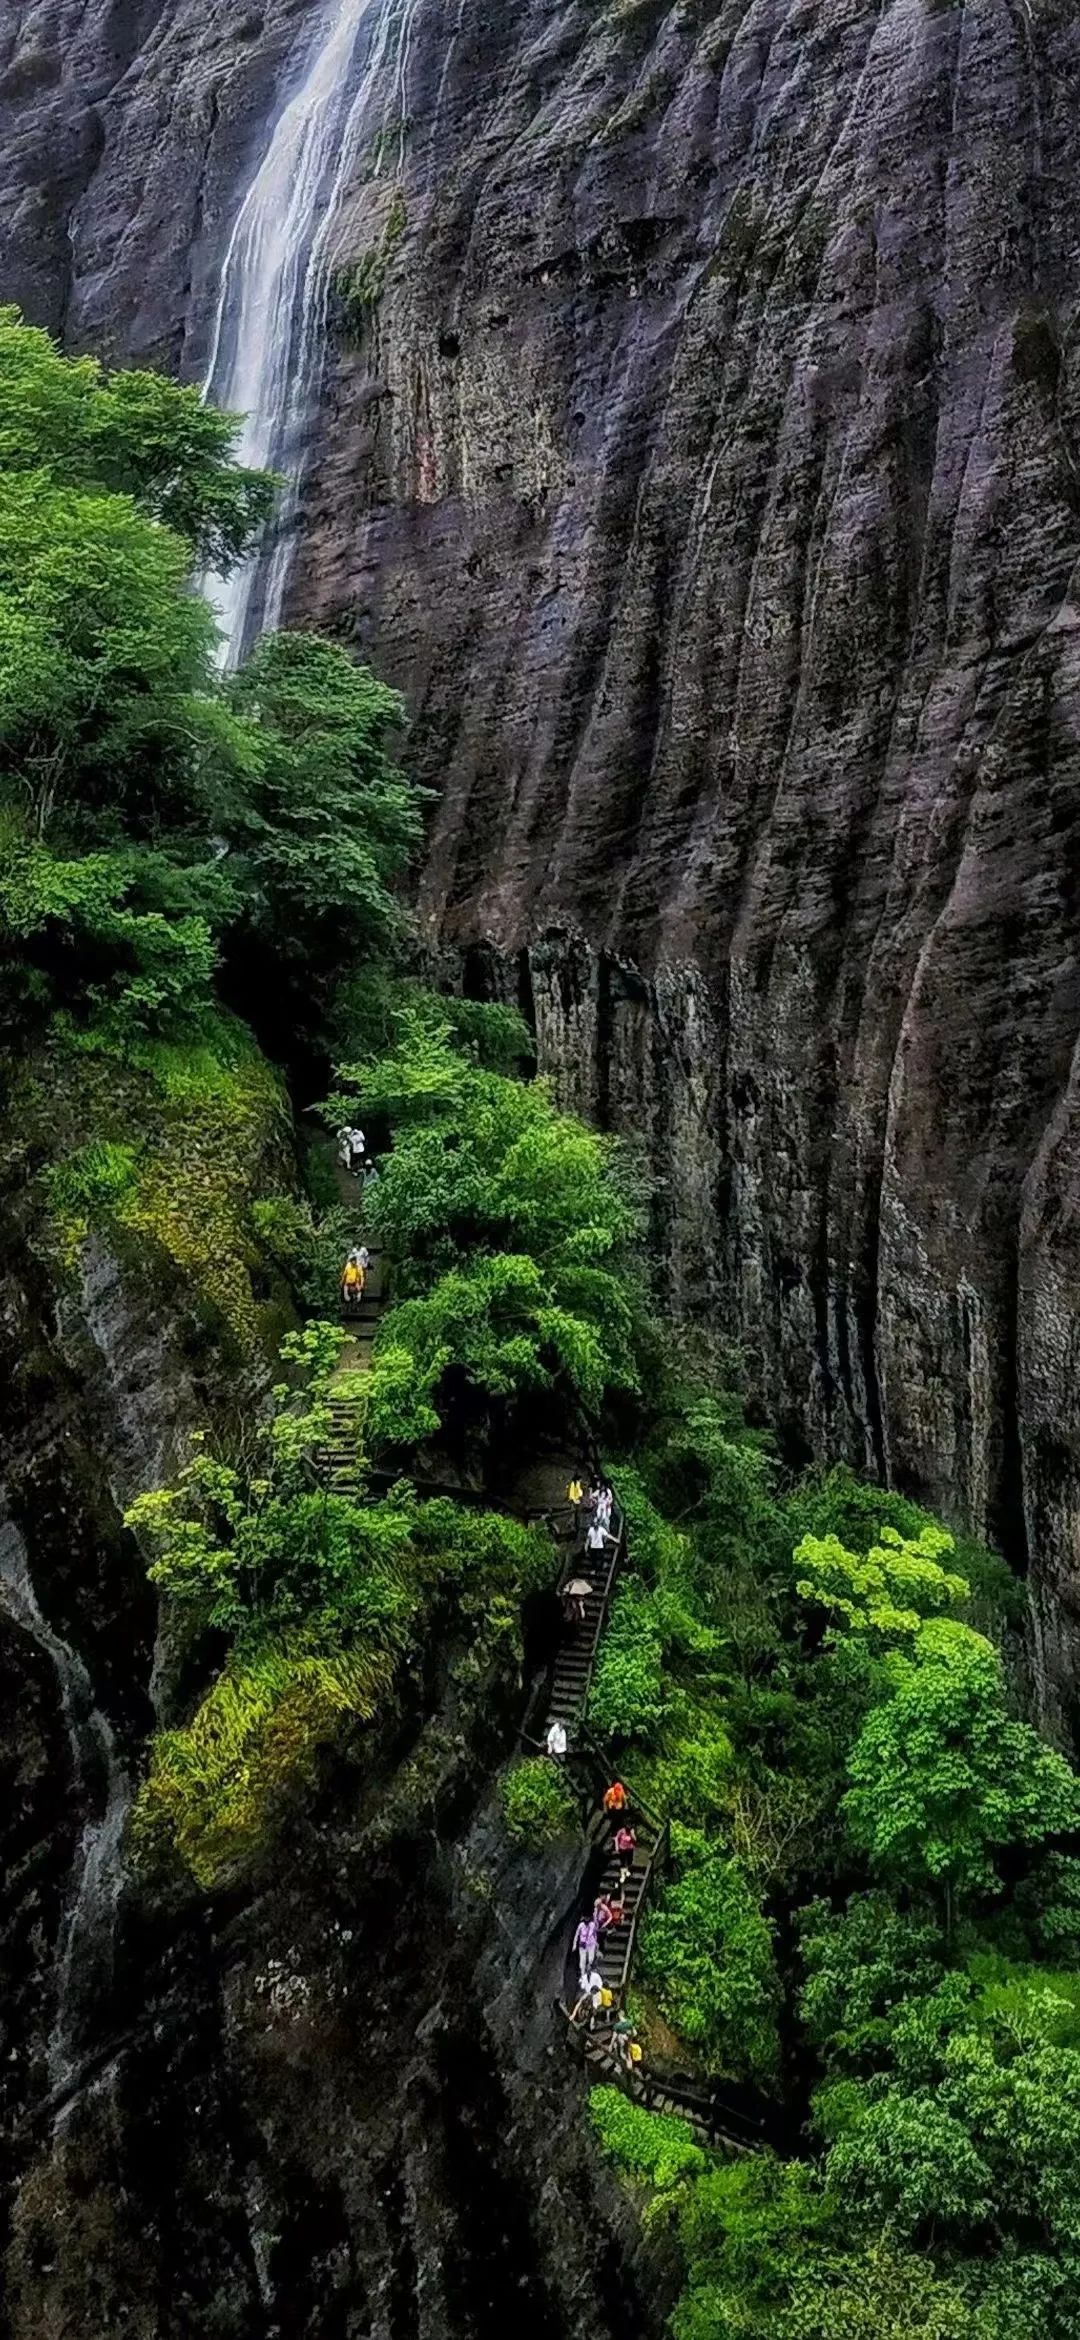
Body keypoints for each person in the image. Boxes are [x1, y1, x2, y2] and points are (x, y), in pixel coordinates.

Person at [573, 1914, 599, 1988]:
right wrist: (574, 1944)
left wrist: (596, 1942)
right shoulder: (581, 1925)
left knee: (590, 1959)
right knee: (582, 1961)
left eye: (588, 1918)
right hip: (583, 1945)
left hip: (591, 1944)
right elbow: (576, 1934)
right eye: (585, 1918)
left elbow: (595, 1934)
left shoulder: (592, 1925)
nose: (586, 1920)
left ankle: (590, 1973)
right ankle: (582, 1977)